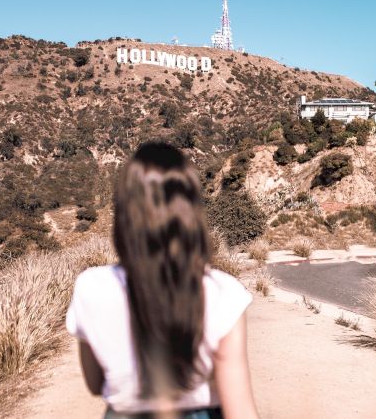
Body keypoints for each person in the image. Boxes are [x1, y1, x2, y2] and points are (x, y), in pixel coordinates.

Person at [66, 142, 259, 418]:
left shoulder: (91, 287)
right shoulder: (223, 292)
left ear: (125, 214)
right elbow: (240, 412)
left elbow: (96, 384)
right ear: (191, 213)